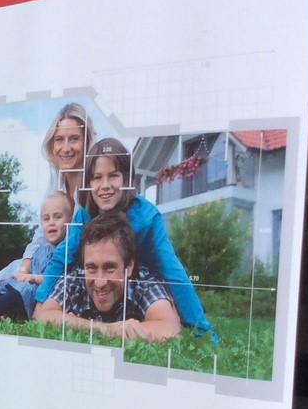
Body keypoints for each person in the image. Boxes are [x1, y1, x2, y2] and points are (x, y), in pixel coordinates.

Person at [34, 137, 213, 338]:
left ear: (126, 179)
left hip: (137, 285)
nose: (105, 185)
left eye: (113, 176)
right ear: (88, 183)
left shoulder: (147, 216)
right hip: (96, 290)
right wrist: (41, 302)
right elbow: (62, 257)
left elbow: (171, 270)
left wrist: (202, 330)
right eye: (97, 177)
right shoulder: (83, 215)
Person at [33, 211, 180, 342]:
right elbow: (43, 316)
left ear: (129, 266)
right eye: (91, 268)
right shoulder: (75, 279)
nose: (100, 282)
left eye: (110, 268)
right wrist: (107, 329)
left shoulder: (144, 282)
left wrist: (74, 323)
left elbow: (170, 328)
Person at [0, 191, 73, 320]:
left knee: (22, 291)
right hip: (26, 287)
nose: (51, 222)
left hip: (38, 296)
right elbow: (29, 271)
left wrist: (32, 278)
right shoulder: (41, 249)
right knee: (7, 283)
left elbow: (56, 279)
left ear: (70, 221)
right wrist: (19, 277)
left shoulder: (66, 251)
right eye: (46, 219)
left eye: (57, 217)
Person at [40, 101, 94, 201]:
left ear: (87, 142)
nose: (66, 149)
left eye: (74, 139)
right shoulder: (54, 183)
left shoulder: (96, 184)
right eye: (59, 139)